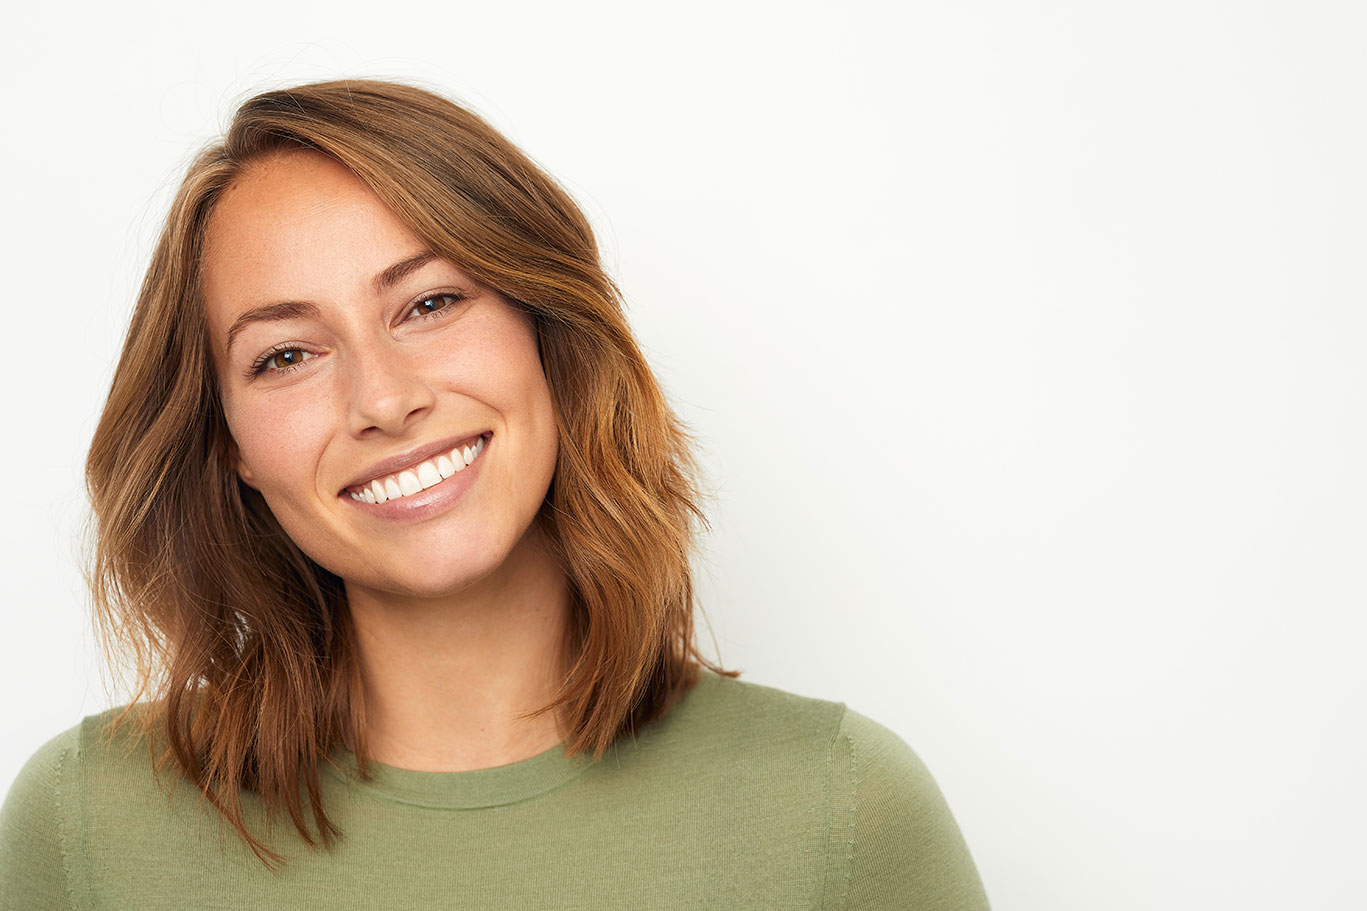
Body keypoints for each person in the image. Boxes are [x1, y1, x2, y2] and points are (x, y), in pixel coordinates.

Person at [0, 79, 990, 909]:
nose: (384, 399)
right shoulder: (88, 828)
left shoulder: (836, 810)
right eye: (287, 354)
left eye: (430, 302)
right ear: (230, 448)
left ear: (547, 332)